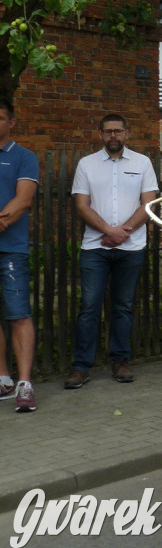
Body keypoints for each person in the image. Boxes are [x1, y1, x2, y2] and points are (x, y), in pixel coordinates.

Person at [65, 114, 158, 389]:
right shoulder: (87, 164)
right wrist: (108, 229)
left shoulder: (142, 163)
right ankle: (81, 367)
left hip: (131, 247)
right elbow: (81, 205)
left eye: (118, 131)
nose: (113, 136)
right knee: (89, 306)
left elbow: (149, 204)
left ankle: (120, 361)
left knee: (123, 306)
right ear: (100, 134)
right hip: (95, 247)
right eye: (108, 132)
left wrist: (122, 232)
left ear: (127, 133)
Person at [0, 100, 40, 412]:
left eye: (0, 118)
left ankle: (24, 384)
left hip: (11, 249)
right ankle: (3, 379)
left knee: (19, 315)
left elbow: (23, 200)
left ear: (12, 122)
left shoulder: (24, 157)